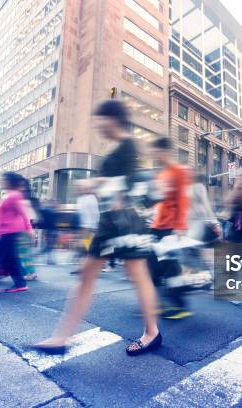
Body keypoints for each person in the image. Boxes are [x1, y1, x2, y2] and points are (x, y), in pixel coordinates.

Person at [34, 100, 161, 356]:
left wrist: (93, 183)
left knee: (138, 277)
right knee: (88, 278)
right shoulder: (119, 146)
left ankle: (152, 333)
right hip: (109, 222)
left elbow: (129, 184)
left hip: (126, 221)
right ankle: (60, 338)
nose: (97, 125)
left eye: (99, 119)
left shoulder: (128, 145)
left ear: (113, 119)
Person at [147, 136, 192, 319]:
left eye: (156, 152)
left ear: (166, 151)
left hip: (171, 227)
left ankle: (180, 306)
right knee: (151, 264)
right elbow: (159, 200)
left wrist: (180, 226)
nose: (155, 156)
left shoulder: (179, 172)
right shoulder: (161, 174)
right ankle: (155, 302)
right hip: (157, 225)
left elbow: (183, 199)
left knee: (171, 265)